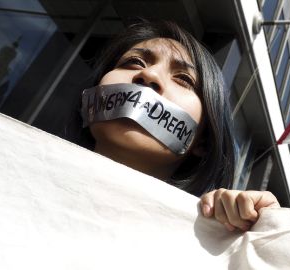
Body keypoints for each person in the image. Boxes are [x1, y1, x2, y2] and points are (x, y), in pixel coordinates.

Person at [83, 20, 279, 232]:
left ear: (202, 141)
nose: (149, 75)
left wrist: (267, 231)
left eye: (183, 79)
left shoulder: (214, 238)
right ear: (88, 101)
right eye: (134, 62)